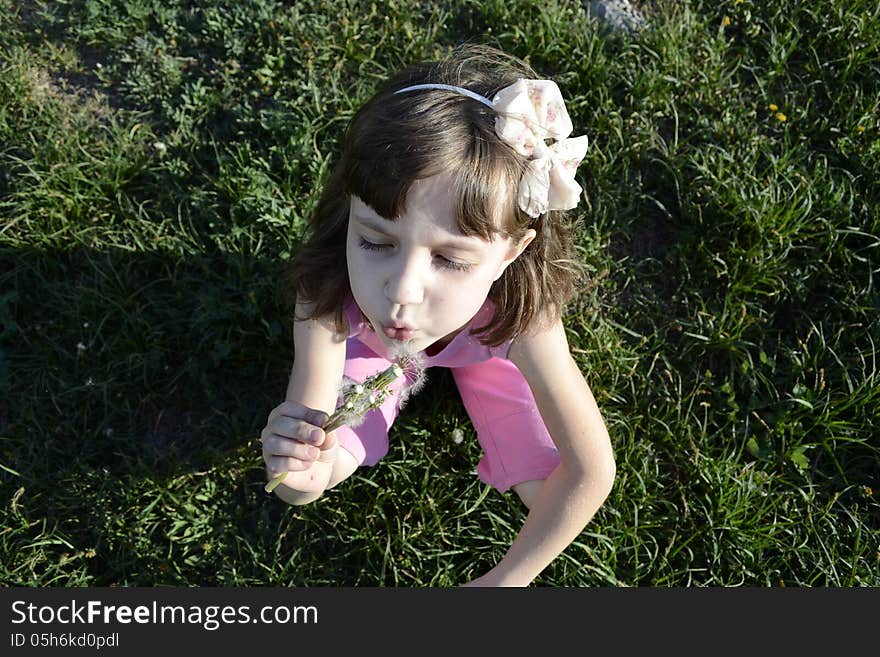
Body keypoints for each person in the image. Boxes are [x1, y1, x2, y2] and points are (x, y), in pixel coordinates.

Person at [260, 43, 616, 586]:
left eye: (450, 258)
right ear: (350, 214)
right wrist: (301, 468)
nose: (401, 291)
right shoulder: (328, 293)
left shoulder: (524, 315)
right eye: (376, 241)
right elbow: (295, 487)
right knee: (331, 460)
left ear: (511, 252)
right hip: (373, 350)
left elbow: (591, 471)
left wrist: (507, 581)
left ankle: (479, 378)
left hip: (489, 346)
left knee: (550, 492)